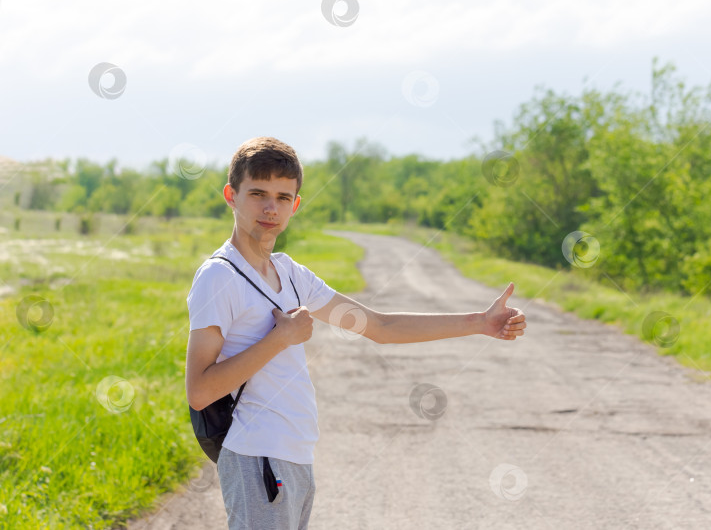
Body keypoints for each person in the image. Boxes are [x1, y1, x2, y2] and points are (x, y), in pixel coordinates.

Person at [185, 137, 527, 529]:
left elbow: (380, 327)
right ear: (232, 195)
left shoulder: (290, 272)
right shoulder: (219, 277)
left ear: (295, 205)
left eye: (282, 197)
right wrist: (281, 339)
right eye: (258, 193)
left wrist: (480, 323)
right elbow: (200, 391)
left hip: (295, 454)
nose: (270, 207)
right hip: (255, 454)